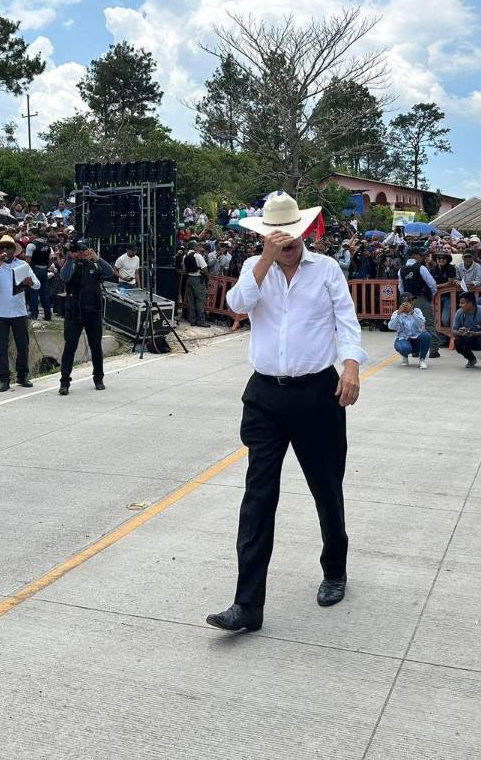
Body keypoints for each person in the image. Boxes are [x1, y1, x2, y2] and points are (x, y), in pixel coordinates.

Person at [206, 192, 363, 634]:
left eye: (292, 234)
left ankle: (335, 569)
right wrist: (264, 260)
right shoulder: (253, 270)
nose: (286, 242)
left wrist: (351, 366)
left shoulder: (326, 269)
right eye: (277, 235)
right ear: (265, 236)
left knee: (326, 488)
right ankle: (247, 605)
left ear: (303, 231)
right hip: (265, 396)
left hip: (317, 393)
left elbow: (347, 322)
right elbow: (237, 305)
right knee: (258, 497)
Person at [58, 239, 115, 395]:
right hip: (74, 312)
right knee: (70, 346)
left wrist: (97, 258)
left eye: (84, 250)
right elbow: (64, 277)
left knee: (96, 346)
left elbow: (110, 273)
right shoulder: (71, 264)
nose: (82, 253)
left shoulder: (94, 264)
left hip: (93, 311)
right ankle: (64, 382)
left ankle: (99, 378)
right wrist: (70, 258)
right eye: (79, 251)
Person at [0, 235, 39, 392]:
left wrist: (31, 282)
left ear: (14, 250)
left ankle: (22, 375)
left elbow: (37, 285)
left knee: (23, 346)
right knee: (1, 348)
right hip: (0, 313)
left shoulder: (22, 265)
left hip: (19, 312)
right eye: (2, 247)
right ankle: (4, 379)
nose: (5, 250)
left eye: (8, 247)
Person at [399, 244, 440, 358]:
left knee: (411, 325)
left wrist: (405, 301)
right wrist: (430, 295)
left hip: (408, 300)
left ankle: (415, 350)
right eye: (421, 255)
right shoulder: (421, 268)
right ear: (415, 256)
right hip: (421, 298)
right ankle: (433, 350)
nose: (422, 257)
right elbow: (432, 284)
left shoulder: (401, 270)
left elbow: (401, 288)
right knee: (428, 323)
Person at [452, 291, 481, 369]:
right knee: (457, 341)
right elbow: (454, 330)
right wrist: (459, 332)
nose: (460, 305)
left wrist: (476, 333)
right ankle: (471, 359)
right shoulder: (459, 312)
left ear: (470, 303)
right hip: (469, 337)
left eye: (462, 303)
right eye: (460, 303)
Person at [388, 300, 431, 369]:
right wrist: (398, 314)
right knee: (405, 348)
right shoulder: (396, 313)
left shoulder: (417, 311)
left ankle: (422, 360)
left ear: (412, 304)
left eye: (407, 304)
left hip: (416, 338)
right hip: (402, 338)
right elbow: (391, 327)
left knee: (426, 336)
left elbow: (422, 323)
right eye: (404, 305)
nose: (405, 307)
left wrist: (413, 313)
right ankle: (404, 356)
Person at [25, 230, 57, 320]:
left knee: (34, 292)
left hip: (35, 269)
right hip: (44, 270)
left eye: (31, 234)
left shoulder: (31, 245)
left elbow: (28, 261)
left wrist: (28, 272)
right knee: (45, 293)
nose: (29, 237)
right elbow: (52, 259)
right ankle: (48, 315)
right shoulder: (47, 246)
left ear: (36, 235)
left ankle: (34, 314)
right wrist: (46, 267)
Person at [183, 239, 209, 327]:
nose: (198, 247)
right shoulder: (197, 256)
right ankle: (201, 321)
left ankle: (192, 320)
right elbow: (205, 268)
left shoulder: (185, 256)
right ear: (194, 247)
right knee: (200, 300)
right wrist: (206, 276)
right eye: (197, 245)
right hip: (198, 279)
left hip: (189, 279)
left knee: (191, 300)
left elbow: (184, 269)